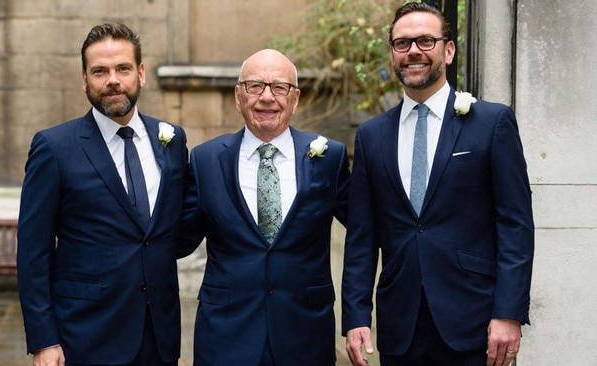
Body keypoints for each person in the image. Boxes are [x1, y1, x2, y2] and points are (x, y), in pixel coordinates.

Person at [341, 3, 535, 366]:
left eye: (425, 41)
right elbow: (362, 237)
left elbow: (515, 224)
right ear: (393, 54)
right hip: (400, 326)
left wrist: (508, 311)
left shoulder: (491, 123)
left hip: (474, 322)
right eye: (402, 43)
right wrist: (355, 316)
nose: (413, 51)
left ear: (448, 50)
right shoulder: (371, 136)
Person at [16, 23, 187, 366]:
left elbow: (172, 228)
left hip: (159, 335)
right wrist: (43, 340)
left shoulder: (172, 140)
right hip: (85, 336)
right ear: (84, 79)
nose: (112, 80)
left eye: (122, 68)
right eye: (100, 71)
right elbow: (33, 252)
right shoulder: (54, 147)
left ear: (140, 74)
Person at [177, 49, 350, 365]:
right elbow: (176, 240)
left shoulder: (329, 158)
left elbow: (366, 231)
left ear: (295, 99)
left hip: (305, 335)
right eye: (255, 86)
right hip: (226, 337)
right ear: (238, 96)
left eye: (279, 87)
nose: (267, 97)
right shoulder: (205, 161)